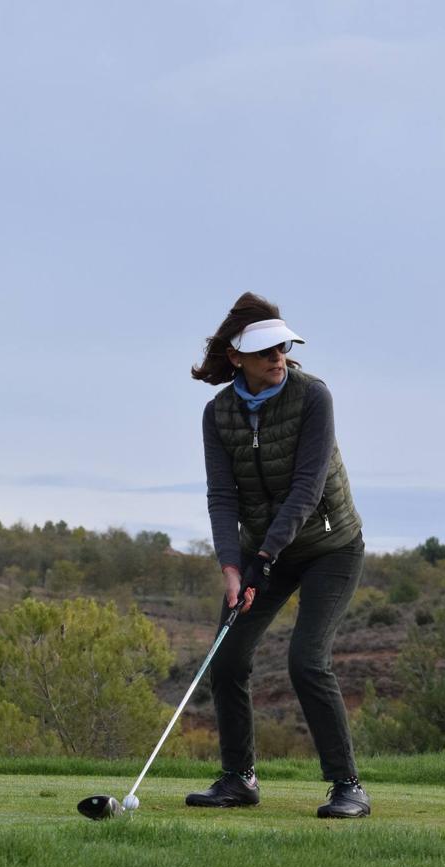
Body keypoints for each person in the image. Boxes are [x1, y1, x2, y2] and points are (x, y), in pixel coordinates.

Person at [186, 292, 370, 819]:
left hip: (328, 548)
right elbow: (221, 496)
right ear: (236, 357)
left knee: (307, 661)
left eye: (283, 347)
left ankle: (347, 786)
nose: (278, 357)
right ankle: (238, 778)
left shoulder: (314, 398)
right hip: (260, 551)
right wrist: (230, 566)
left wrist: (263, 557)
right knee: (228, 659)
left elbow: (308, 488)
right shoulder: (218, 414)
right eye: (265, 349)